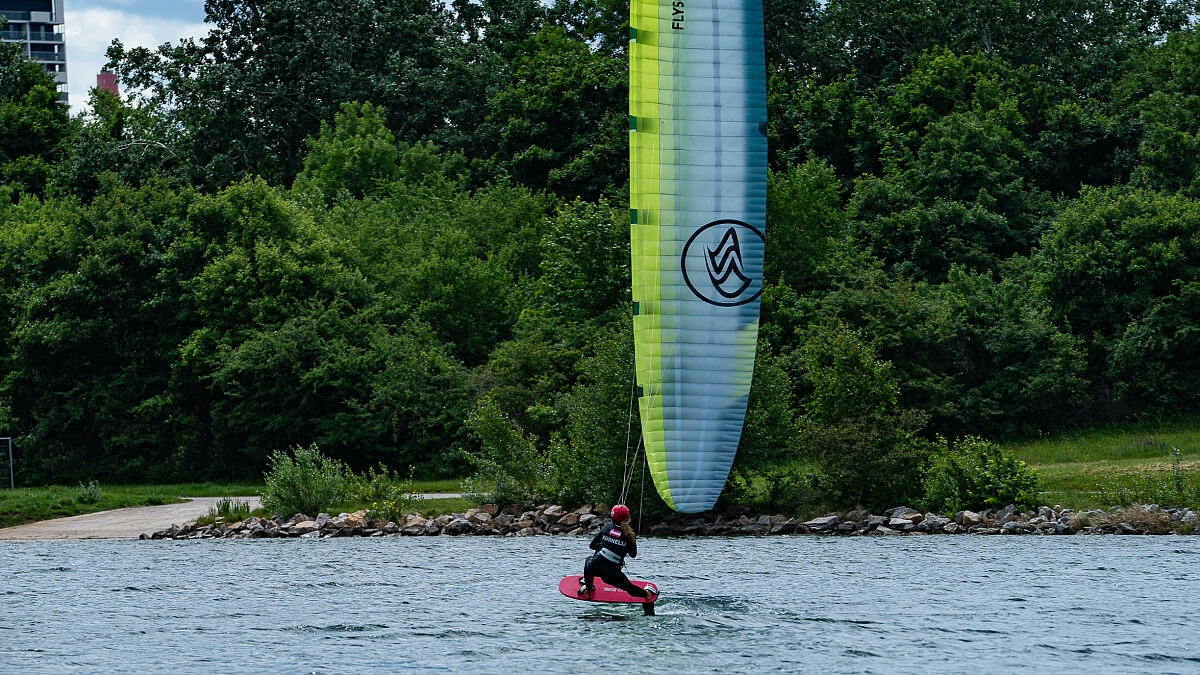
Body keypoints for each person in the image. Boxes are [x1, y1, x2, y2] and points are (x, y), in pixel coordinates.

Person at [579, 504, 657, 601]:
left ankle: (588, 589)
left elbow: (592, 546)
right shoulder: (630, 535)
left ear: (612, 517)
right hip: (611, 575)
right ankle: (646, 594)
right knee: (629, 588)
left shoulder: (607, 527)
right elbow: (633, 555)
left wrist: (604, 546)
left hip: (595, 568)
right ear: (628, 518)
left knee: (588, 561)